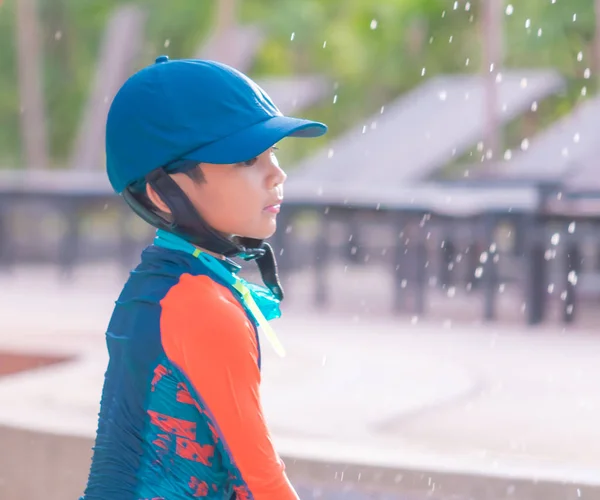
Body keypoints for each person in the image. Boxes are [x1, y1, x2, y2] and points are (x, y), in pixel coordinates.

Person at [80, 55, 327, 500]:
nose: (277, 174)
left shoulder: (156, 285)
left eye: (274, 152)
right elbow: (261, 483)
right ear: (163, 192)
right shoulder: (203, 307)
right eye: (248, 159)